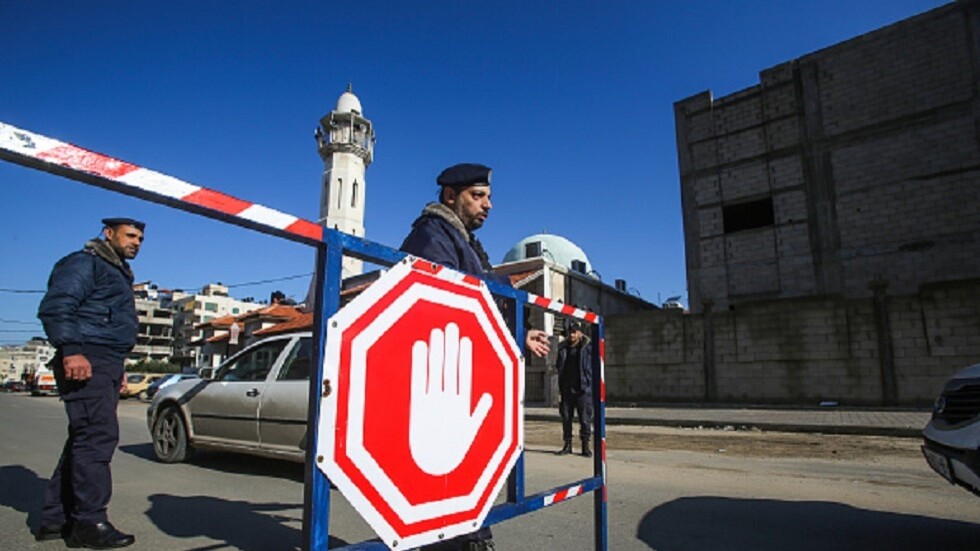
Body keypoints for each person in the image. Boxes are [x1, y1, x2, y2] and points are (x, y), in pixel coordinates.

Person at [400, 163, 549, 551]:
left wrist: (520, 331)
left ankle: (472, 539)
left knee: (465, 483)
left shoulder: (465, 241)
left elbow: (490, 294)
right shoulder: (431, 236)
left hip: (466, 381)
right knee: (442, 486)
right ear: (451, 196)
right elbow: (444, 304)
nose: (489, 205)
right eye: (477, 196)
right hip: (442, 381)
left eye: (489, 197)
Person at [35, 217, 145, 548]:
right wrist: (71, 351)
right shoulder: (86, 263)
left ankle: (55, 518)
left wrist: (118, 365)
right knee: (97, 438)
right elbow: (57, 307)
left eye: (140, 238)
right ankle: (89, 521)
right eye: (130, 235)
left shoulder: (118, 272)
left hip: (105, 361)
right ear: (108, 234)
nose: (136, 242)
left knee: (84, 439)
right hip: (87, 356)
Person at [555, 321, 594, 457]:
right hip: (567, 389)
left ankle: (585, 446)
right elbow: (559, 367)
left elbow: (593, 366)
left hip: (583, 389)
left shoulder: (587, 347)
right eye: (570, 332)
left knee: (585, 419)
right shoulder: (562, 348)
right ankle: (567, 445)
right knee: (566, 418)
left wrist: (589, 383)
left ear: (579, 332)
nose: (572, 334)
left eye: (574, 331)